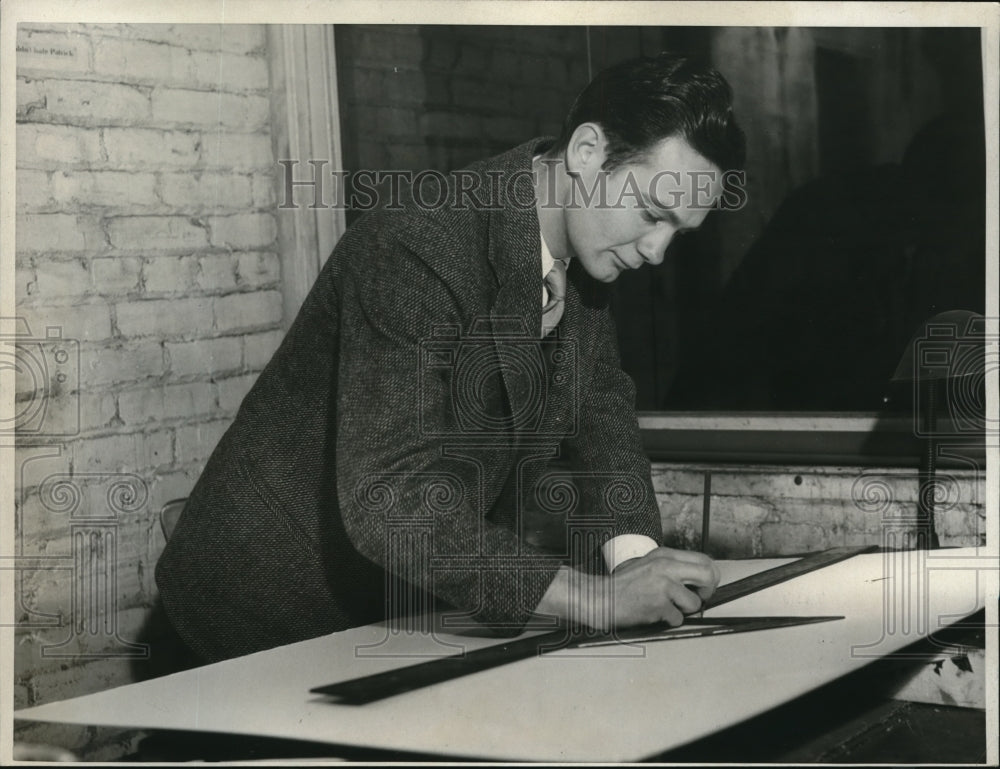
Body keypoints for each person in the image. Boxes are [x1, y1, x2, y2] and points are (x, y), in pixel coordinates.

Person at [155, 52, 746, 662]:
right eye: (651, 214)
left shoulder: (586, 255)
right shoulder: (417, 244)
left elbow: (602, 413)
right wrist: (597, 599)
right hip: (254, 613)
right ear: (587, 152)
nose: (657, 252)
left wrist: (638, 564)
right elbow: (390, 496)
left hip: (391, 608)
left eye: (678, 232)